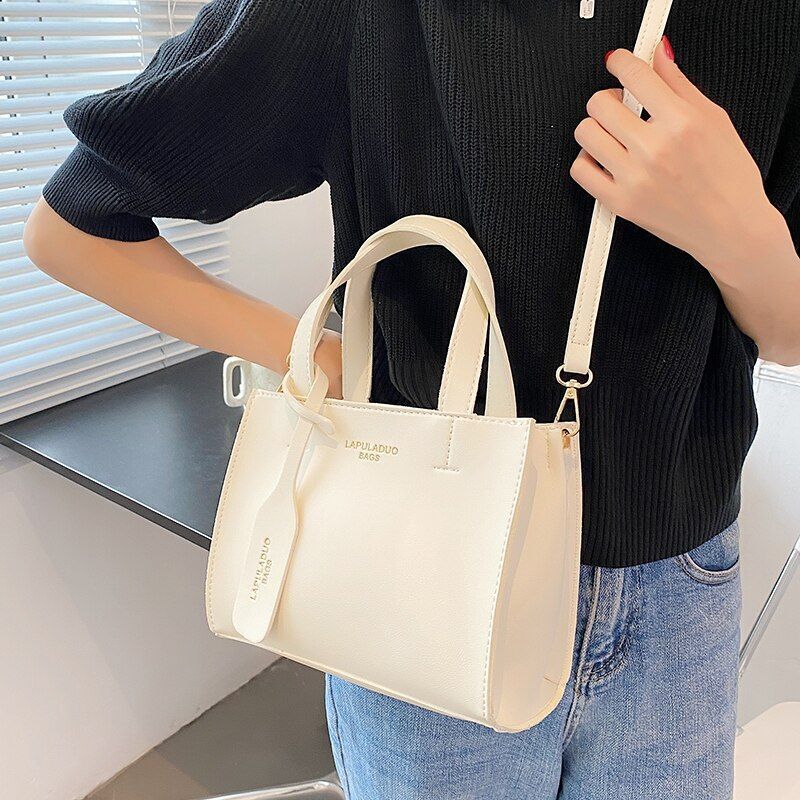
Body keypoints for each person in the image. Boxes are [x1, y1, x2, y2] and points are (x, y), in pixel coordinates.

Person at [24, 1, 800, 798]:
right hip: (420, 576)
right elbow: (72, 223)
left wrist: (742, 232)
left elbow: (790, 337)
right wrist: (322, 360)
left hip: (682, 594)